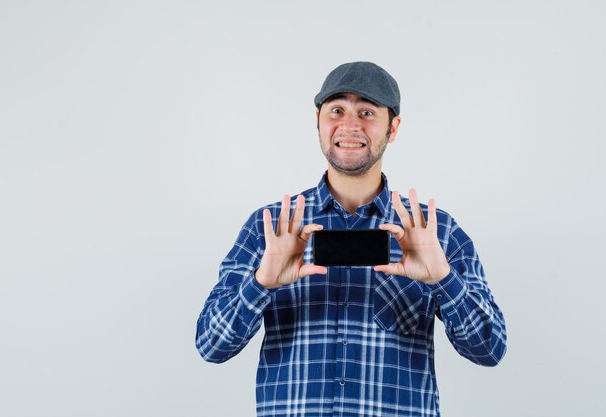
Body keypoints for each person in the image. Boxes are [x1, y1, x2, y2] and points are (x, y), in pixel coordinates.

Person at [196, 61, 507, 417]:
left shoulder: (434, 231)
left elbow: (490, 348)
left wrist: (443, 280)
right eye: (337, 110)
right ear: (318, 120)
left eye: (367, 112)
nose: (350, 124)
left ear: (393, 128)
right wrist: (261, 283)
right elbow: (211, 345)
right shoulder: (270, 227)